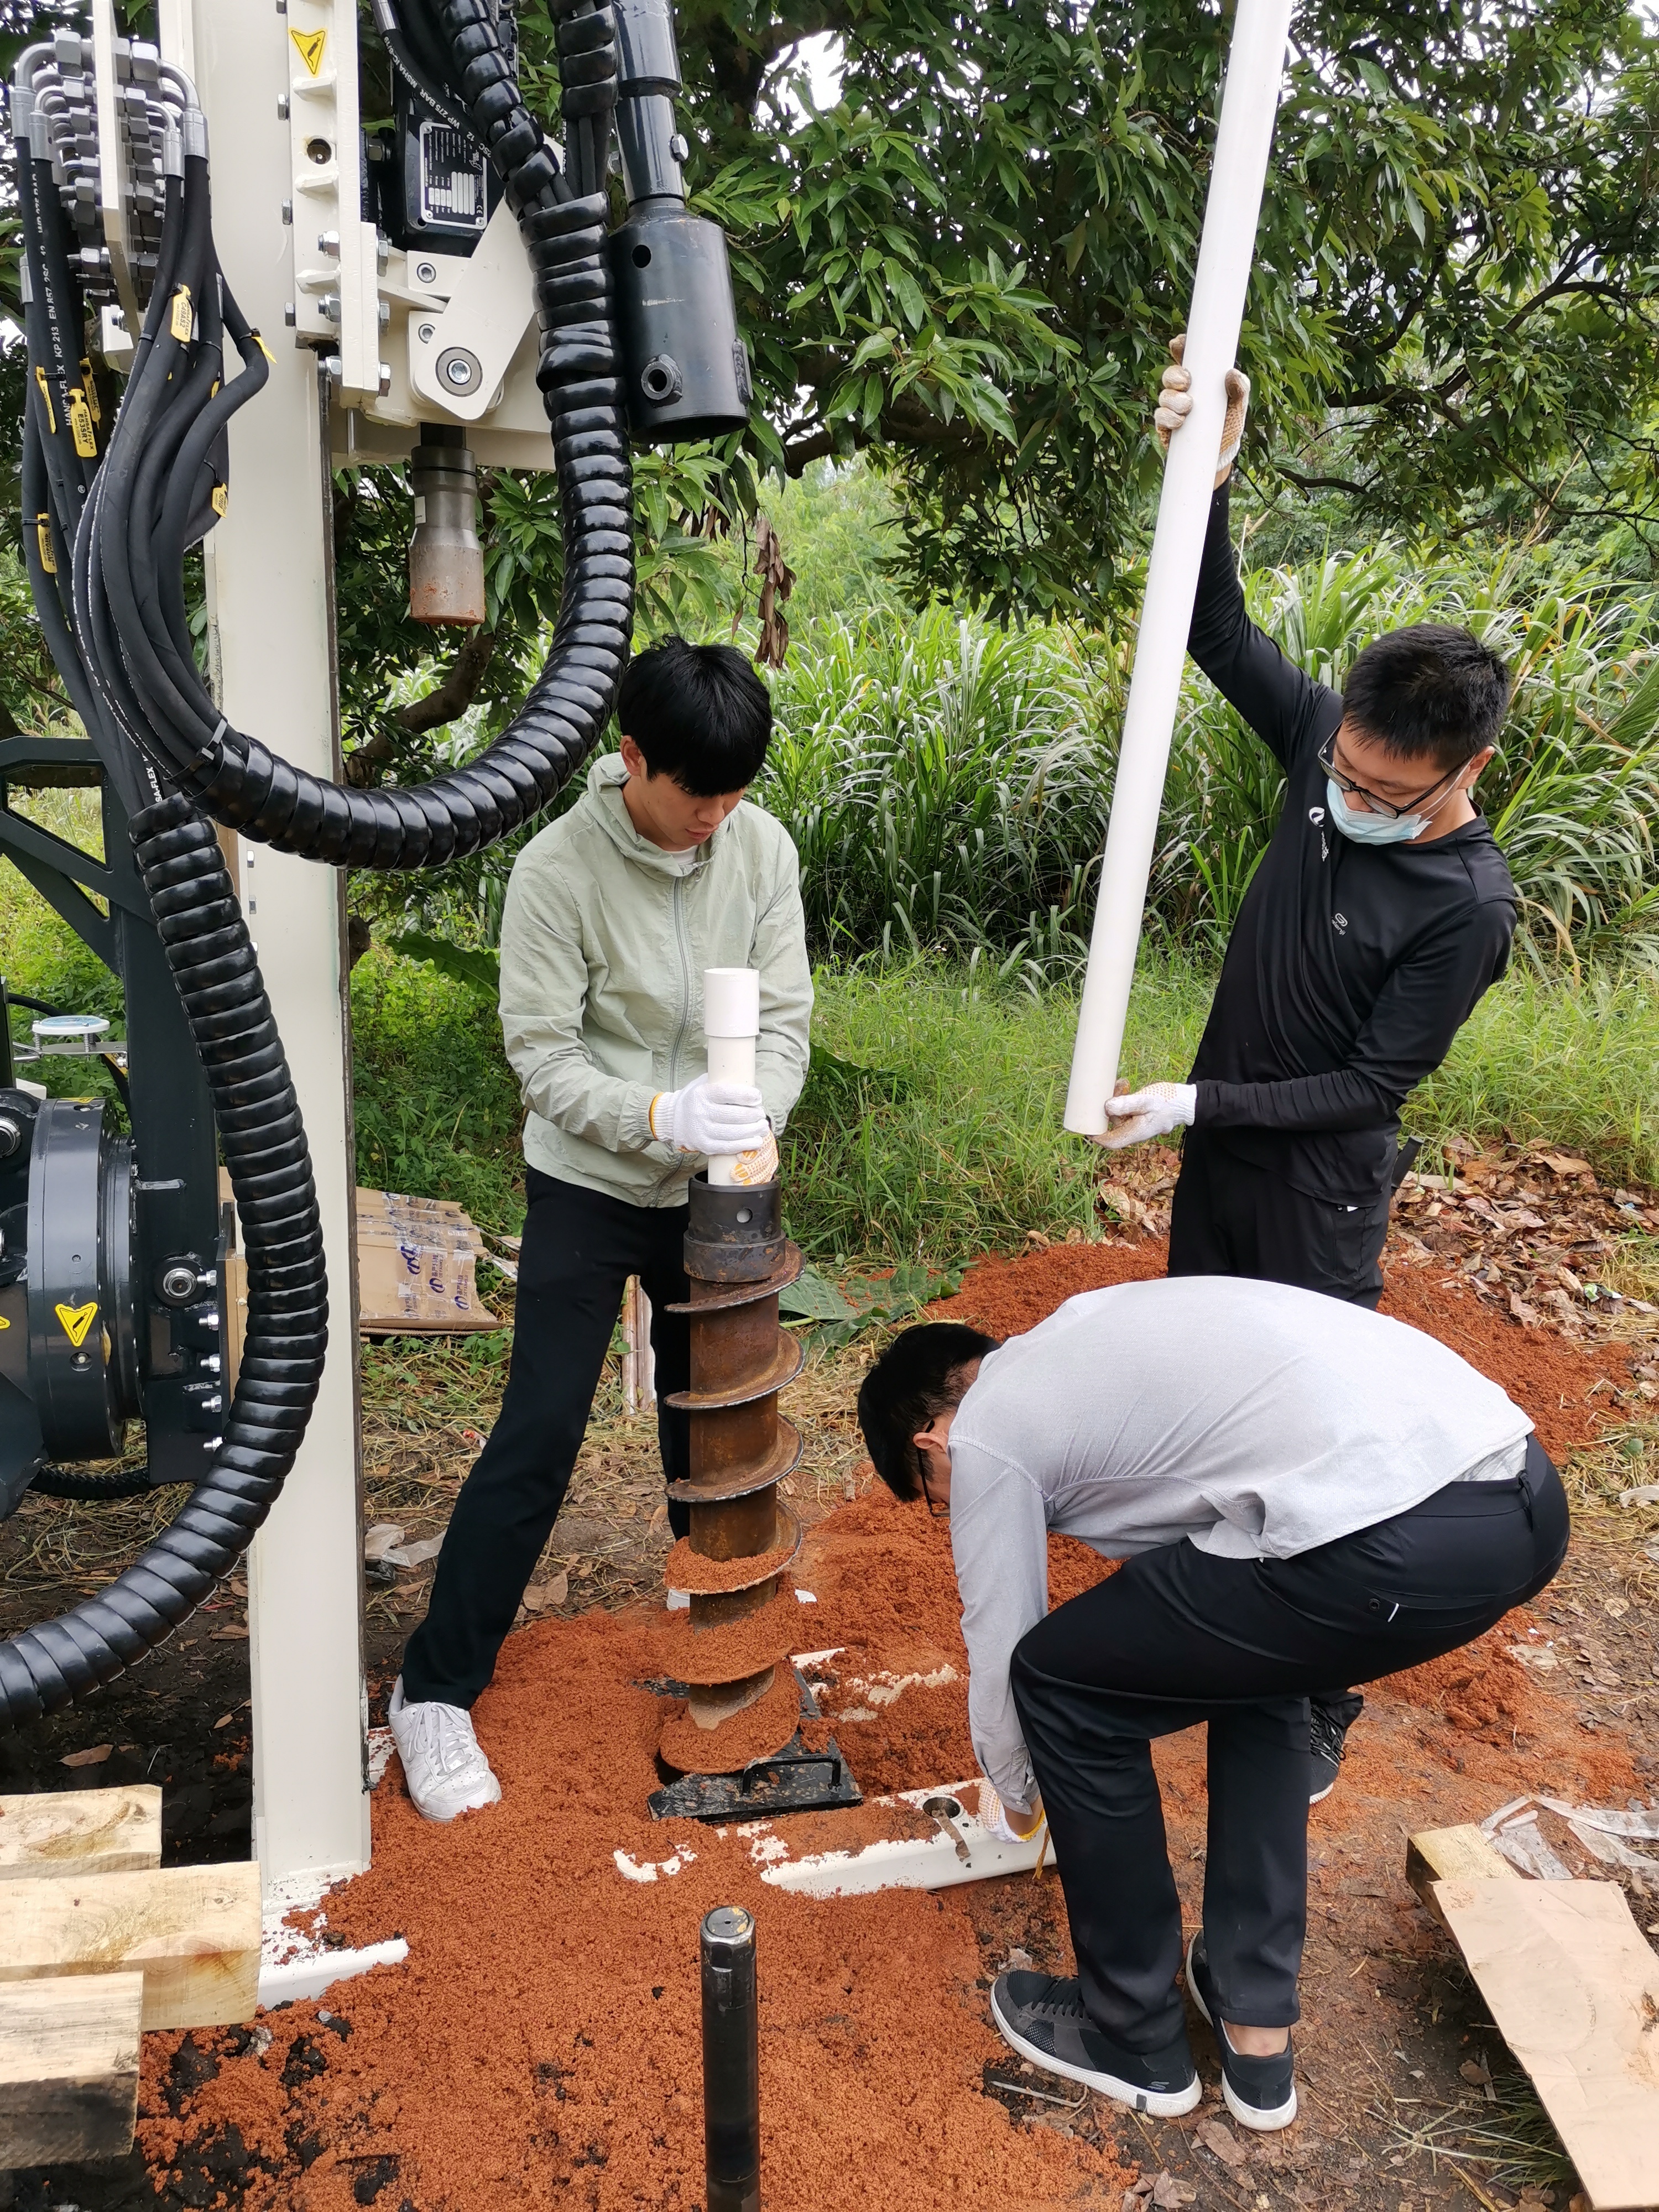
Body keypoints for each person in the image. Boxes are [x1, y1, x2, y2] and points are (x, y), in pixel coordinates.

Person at [1097, 341, 1520, 1798]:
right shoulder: (1326, 760)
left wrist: (1198, 1099)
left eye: (1385, 796)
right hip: (1222, 1169)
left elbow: (1367, 1091)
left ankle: (1319, 1693)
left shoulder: (1464, 908)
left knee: (1312, 1442)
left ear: (1460, 776)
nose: (1348, 804)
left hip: (1316, 1194)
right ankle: (1200, 1626)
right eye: (1341, 774)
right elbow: (1212, 629)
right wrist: (1207, 474)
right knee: (1198, 1398)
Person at [856, 1279, 1567, 2130]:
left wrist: (1017, 1795)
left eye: (934, 1491)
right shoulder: (1089, 1340)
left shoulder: (989, 1430)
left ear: (932, 1437)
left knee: (1058, 1684)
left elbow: (1002, 1630)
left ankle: (1133, 2036)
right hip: (1517, 1497)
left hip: (1393, 1540)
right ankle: (1254, 2025)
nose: (951, 1505)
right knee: (1253, 1661)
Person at [389, 637, 812, 1821]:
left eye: (738, 795)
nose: (718, 819)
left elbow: (782, 1019)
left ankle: (730, 1631)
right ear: (632, 759)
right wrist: (655, 1111)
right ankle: (433, 1694)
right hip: (586, 1178)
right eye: (698, 796)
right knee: (539, 1429)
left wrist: (748, 1111)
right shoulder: (557, 871)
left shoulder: (758, 848)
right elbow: (542, 1055)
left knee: (716, 1430)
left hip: (715, 1187)